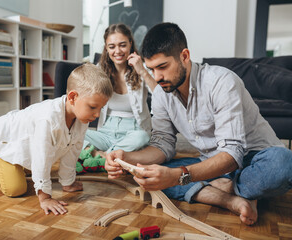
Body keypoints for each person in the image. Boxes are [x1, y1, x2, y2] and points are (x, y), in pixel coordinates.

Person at [105, 22, 292, 225]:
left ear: (184, 56)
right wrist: (128, 158)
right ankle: (233, 199)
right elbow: (162, 145)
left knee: (282, 165)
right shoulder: (161, 93)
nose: (157, 78)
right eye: (151, 69)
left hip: (255, 160)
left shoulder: (221, 82)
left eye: (162, 67)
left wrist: (178, 177)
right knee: (147, 174)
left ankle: (225, 187)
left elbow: (232, 155)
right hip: (211, 165)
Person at [0, 63, 113, 215]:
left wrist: (68, 182)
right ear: (73, 97)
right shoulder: (47, 119)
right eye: (93, 107)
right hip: (3, 135)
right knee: (16, 189)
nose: (97, 114)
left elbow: (72, 150)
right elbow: (41, 158)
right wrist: (45, 198)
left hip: (26, 143)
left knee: (33, 169)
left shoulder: (82, 118)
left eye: (101, 108)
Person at [83, 23, 157, 159]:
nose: (117, 51)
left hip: (134, 131)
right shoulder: (100, 69)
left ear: (130, 44)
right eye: (112, 47)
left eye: (122, 45)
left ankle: (100, 155)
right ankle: (107, 155)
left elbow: (161, 96)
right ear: (106, 48)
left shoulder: (142, 67)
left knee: (143, 137)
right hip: (106, 131)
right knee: (76, 133)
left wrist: (142, 71)